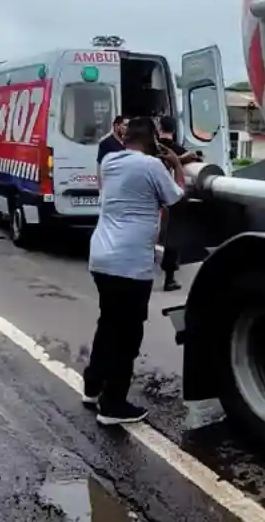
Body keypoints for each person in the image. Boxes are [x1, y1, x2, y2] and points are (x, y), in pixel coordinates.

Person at [84, 117, 186, 425]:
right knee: (127, 335)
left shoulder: (111, 160)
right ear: (153, 140)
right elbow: (174, 198)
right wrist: (177, 167)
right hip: (130, 263)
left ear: (124, 138)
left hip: (101, 255)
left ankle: (93, 387)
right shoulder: (152, 166)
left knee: (108, 324)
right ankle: (113, 405)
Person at [156, 116, 201, 291]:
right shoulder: (179, 151)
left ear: (160, 128)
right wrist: (187, 158)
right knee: (172, 236)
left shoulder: (153, 147)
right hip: (170, 196)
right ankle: (169, 278)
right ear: (174, 131)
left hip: (151, 195)